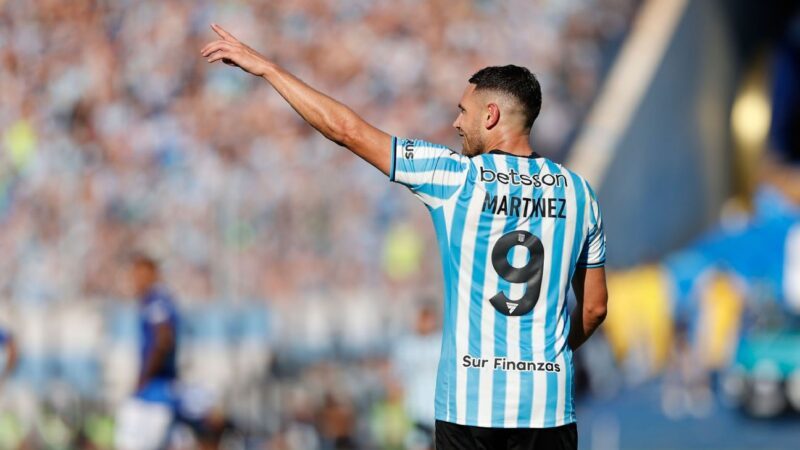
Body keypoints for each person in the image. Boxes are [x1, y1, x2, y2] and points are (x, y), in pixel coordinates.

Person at [202, 23, 608, 450]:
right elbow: (595, 307)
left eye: (463, 111)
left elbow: (347, 130)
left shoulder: (456, 177)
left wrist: (269, 69)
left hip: (471, 409)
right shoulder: (580, 194)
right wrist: (547, 355)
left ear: (490, 116)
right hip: (548, 407)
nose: (456, 122)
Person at [115, 254, 180, 450]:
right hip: (156, 393)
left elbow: (164, 339)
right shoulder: (156, 300)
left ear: (152, 274)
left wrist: (145, 377)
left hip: (154, 393)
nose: (135, 281)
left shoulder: (156, 300)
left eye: (139, 275)